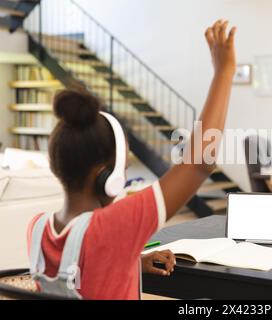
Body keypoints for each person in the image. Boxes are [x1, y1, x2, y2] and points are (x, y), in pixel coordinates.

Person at [27, 20, 237, 300]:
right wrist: (224, 72)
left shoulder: (38, 227)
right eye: (123, 169)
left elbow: (81, 271)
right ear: (107, 177)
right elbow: (198, 164)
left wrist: (130, 260)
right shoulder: (112, 226)